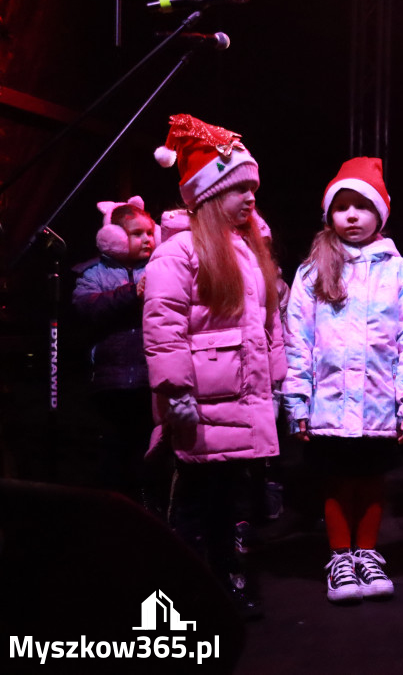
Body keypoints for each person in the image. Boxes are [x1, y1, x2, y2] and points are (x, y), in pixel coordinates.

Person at [144, 114, 284, 619]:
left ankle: (225, 579)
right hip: (201, 401)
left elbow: (268, 325)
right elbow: (163, 324)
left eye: (252, 189)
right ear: (208, 194)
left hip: (240, 399)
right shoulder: (178, 252)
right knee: (194, 503)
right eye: (238, 189)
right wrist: (176, 390)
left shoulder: (246, 250)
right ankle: (186, 591)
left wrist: (276, 379)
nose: (249, 199)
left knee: (231, 503)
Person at [283, 157, 403, 603]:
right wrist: (297, 399)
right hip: (328, 402)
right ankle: (340, 558)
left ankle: (366, 553)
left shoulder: (401, 271)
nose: (351, 216)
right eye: (342, 207)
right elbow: (298, 340)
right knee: (335, 480)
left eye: (362, 207)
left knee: (371, 479)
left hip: (379, 403)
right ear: (329, 214)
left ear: (380, 215)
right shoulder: (312, 270)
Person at [73, 196, 158, 506]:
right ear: (116, 238)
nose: (147, 239)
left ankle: (148, 510)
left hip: (151, 379)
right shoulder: (93, 273)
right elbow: (86, 306)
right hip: (112, 383)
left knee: (147, 452)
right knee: (114, 450)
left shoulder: (161, 269)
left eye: (150, 232)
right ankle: (114, 509)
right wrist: (131, 293)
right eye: (137, 234)